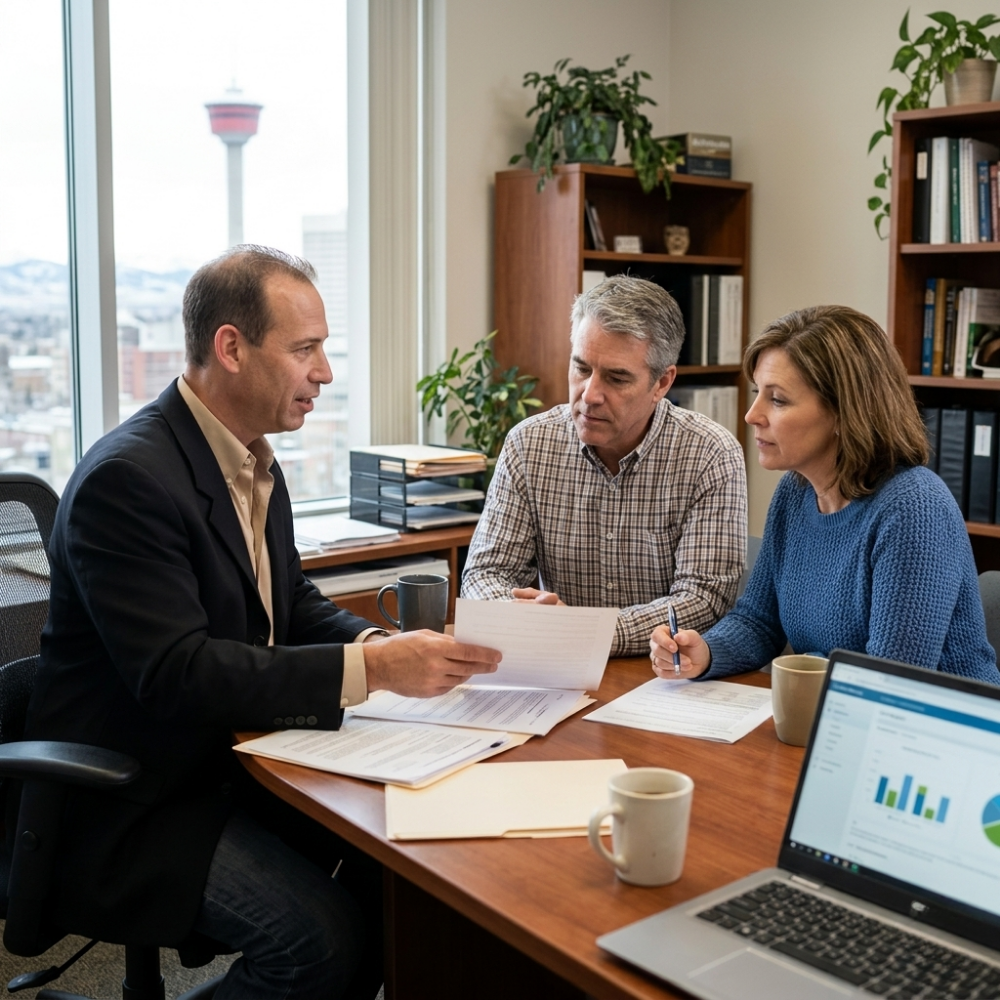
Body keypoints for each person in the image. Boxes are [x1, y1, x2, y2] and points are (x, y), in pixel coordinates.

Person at [24, 246, 502, 1000]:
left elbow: (290, 606)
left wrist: (382, 645)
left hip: (233, 759)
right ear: (231, 348)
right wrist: (374, 673)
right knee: (321, 947)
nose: (325, 373)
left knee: (404, 877)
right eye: (305, 349)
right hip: (137, 798)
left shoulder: (250, 459)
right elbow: (179, 674)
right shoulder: (130, 480)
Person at [649, 304, 1000, 684]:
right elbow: (758, 621)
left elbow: (892, 679)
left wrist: (807, 665)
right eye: (757, 393)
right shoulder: (794, 493)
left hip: (940, 732)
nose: (752, 415)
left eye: (778, 399)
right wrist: (707, 651)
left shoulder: (914, 508)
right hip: (833, 714)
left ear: (844, 413)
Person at [462, 275, 747, 656]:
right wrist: (520, 617)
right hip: (553, 666)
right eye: (581, 369)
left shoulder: (709, 454)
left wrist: (589, 633)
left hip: (659, 677)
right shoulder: (529, 444)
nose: (590, 395)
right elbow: (486, 573)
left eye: (616, 378)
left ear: (662, 382)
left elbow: (705, 599)